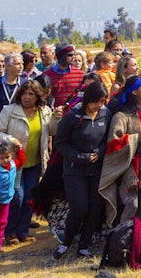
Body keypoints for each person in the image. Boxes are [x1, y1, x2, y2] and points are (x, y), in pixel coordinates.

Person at [0, 79, 59, 244]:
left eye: (31, 94)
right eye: (24, 93)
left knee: (29, 198)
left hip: (34, 163)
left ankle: (23, 232)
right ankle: (10, 232)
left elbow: (52, 130)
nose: (27, 97)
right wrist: (10, 140)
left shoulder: (44, 111)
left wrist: (57, 117)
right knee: (16, 197)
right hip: (13, 164)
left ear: (38, 96)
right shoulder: (10, 111)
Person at [52, 79, 110, 260]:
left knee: (95, 207)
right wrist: (79, 156)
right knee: (79, 207)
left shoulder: (105, 114)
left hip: (96, 168)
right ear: (88, 99)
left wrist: (99, 153)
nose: (99, 106)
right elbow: (60, 142)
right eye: (96, 102)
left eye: (102, 102)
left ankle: (84, 245)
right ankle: (66, 243)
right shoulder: (73, 116)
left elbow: (107, 141)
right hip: (74, 169)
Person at [99, 74, 141, 231]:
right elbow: (113, 143)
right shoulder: (121, 116)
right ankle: (120, 236)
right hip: (129, 167)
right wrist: (136, 138)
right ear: (134, 92)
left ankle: (136, 237)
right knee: (131, 203)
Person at [0, 52, 24, 122]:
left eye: (22, 64)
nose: (21, 66)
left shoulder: (25, 84)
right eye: (17, 64)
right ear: (7, 66)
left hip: (18, 123)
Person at [44, 43, 85, 108]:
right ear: (61, 56)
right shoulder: (46, 75)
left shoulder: (80, 74)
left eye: (74, 54)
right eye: (70, 55)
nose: (73, 57)